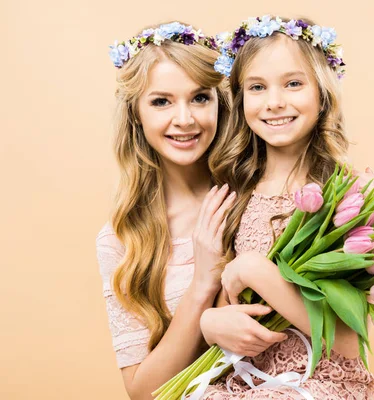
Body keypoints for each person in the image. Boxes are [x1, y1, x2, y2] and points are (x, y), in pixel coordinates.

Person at [201, 16, 374, 399]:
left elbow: (347, 340)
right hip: (244, 379)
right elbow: (230, 303)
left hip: (319, 385)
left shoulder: (356, 196)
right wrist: (211, 321)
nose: (274, 102)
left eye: (293, 83)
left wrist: (253, 269)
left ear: (323, 94)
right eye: (257, 87)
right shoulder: (238, 195)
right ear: (240, 98)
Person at [97, 21, 287, 400]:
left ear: (220, 103)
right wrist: (203, 286)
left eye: (200, 98)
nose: (184, 119)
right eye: (161, 101)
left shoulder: (262, 191)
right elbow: (142, 392)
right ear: (136, 113)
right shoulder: (122, 239)